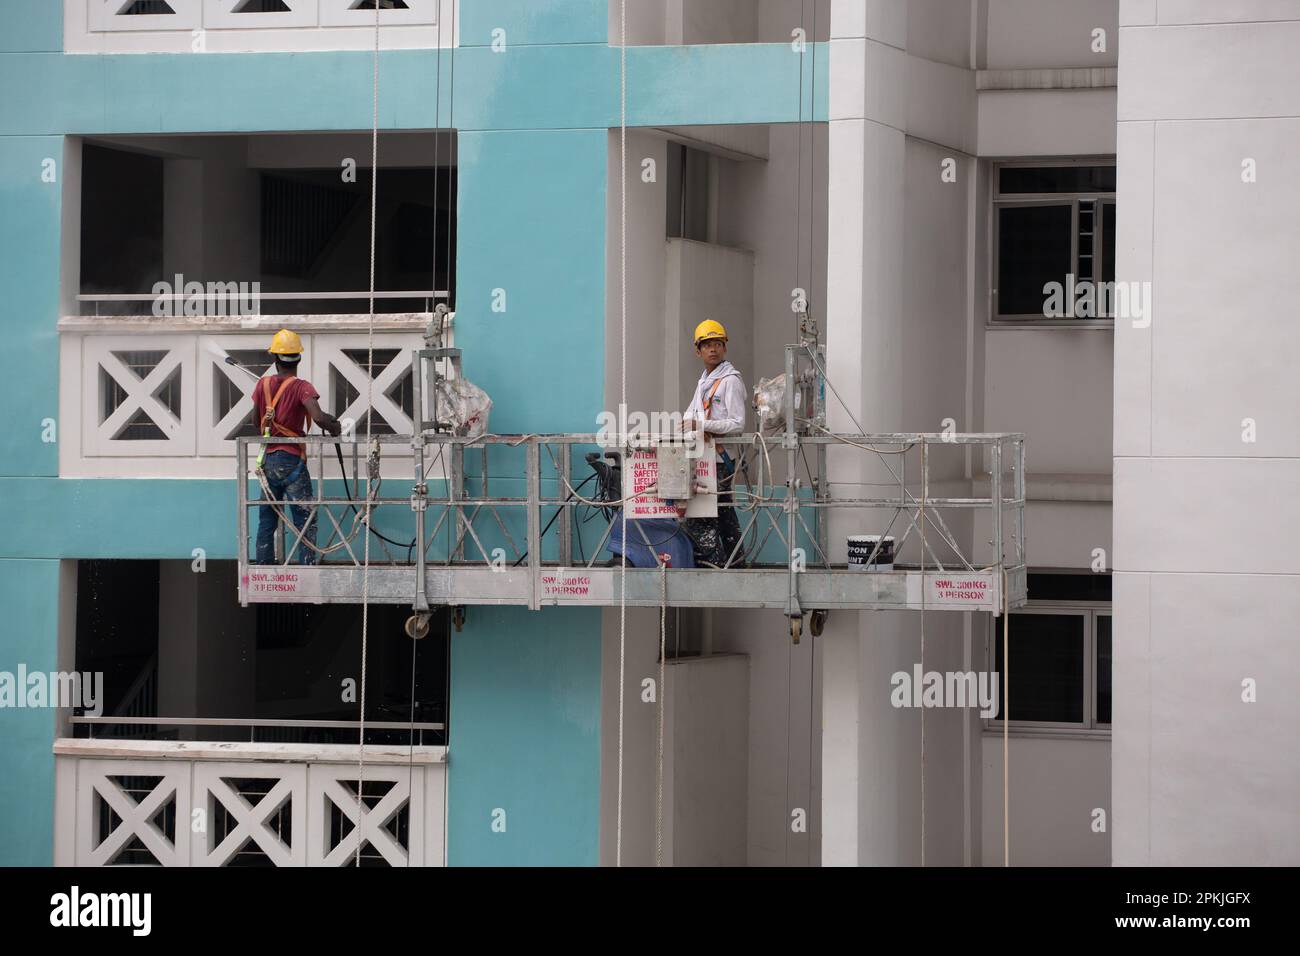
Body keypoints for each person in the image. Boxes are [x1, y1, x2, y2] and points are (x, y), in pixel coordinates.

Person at [250, 329, 342, 565]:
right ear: (298, 359)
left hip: (268, 462)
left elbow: (255, 423)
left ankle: (263, 568)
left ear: (275, 359)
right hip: (291, 461)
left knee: (267, 520)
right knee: (305, 519)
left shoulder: (263, 385)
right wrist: (334, 427)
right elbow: (318, 418)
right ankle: (307, 569)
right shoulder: (303, 387)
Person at [682, 319, 746, 567]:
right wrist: (693, 424)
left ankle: (716, 565)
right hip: (707, 458)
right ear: (698, 351)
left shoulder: (729, 380)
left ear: (724, 348)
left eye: (717, 344)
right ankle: (736, 562)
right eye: (707, 345)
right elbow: (690, 415)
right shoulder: (704, 382)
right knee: (723, 513)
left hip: (721, 459)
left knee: (701, 516)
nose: (713, 349)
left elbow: (737, 423)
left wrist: (702, 425)